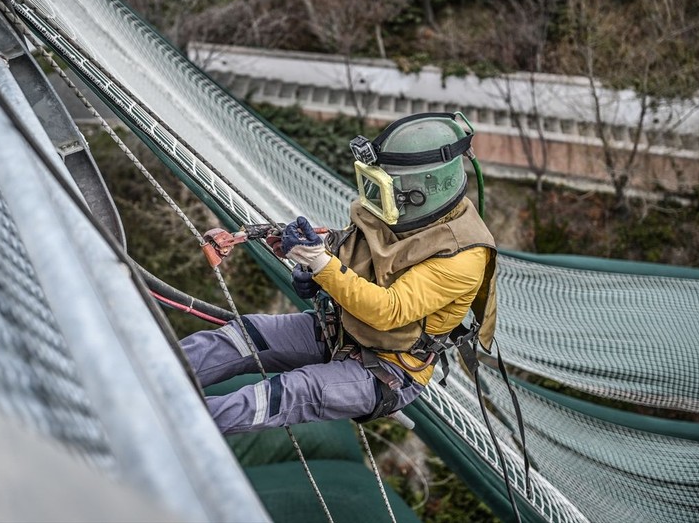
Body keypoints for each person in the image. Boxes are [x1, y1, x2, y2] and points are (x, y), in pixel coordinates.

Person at [180, 112, 497, 435]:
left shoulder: (464, 256)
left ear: (421, 191)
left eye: (386, 188)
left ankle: (177, 423)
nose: (374, 198)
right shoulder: (393, 213)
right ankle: (154, 373)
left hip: (390, 368)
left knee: (288, 392)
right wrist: (316, 269)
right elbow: (354, 257)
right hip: (341, 329)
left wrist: (321, 264)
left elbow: (389, 310)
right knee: (246, 335)